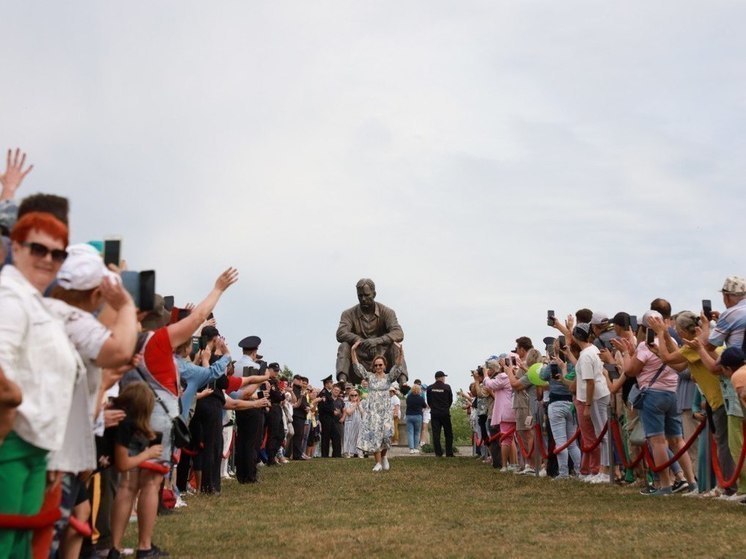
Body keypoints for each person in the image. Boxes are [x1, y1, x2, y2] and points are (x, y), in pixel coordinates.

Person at [0, 212, 81, 558]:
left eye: (57, 253)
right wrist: (13, 398)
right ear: (15, 248)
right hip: (10, 443)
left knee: (22, 546)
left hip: (35, 445)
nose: (48, 259)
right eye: (38, 249)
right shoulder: (11, 298)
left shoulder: (35, 301)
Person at [336, 278, 406, 384]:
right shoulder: (348, 314)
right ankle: (342, 382)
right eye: (360, 296)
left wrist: (377, 341)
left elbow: (398, 333)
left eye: (366, 295)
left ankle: (403, 383)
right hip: (359, 356)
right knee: (344, 346)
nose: (363, 299)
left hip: (381, 356)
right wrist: (360, 340)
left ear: (374, 294)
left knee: (395, 346)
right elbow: (340, 333)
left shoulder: (387, 312)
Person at [353, 340, 405, 472]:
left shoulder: (388, 378)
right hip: (373, 412)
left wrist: (401, 352)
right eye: (376, 365)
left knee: (387, 435)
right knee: (375, 435)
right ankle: (377, 463)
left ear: (384, 366)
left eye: (380, 365)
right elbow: (357, 367)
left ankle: (384, 456)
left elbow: (398, 367)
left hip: (386, 410)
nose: (378, 367)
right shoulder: (369, 377)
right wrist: (353, 350)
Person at [427, 370, 454, 458]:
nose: (444, 379)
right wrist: (446, 407)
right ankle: (449, 453)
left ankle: (438, 453)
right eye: (444, 377)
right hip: (445, 413)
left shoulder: (430, 388)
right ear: (441, 378)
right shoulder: (447, 387)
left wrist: (434, 407)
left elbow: (429, 401)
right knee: (448, 433)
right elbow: (450, 400)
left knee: (436, 434)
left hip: (434, 413)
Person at [405, 384, 427, 454]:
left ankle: (411, 449)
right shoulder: (420, 398)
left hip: (409, 416)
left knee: (410, 432)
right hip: (418, 416)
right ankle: (415, 448)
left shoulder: (408, 397)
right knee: (417, 432)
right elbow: (424, 406)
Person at [343, 389, 364, 457]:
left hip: (358, 423)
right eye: (352, 395)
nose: (354, 396)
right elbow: (349, 412)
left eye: (355, 395)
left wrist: (359, 405)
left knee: (358, 437)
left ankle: (359, 452)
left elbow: (363, 414)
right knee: (349, 437)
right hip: (349, 422)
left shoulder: (360, 404)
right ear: (349, 396)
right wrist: (355, 405)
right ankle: (348, 452)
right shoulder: (346, 403)